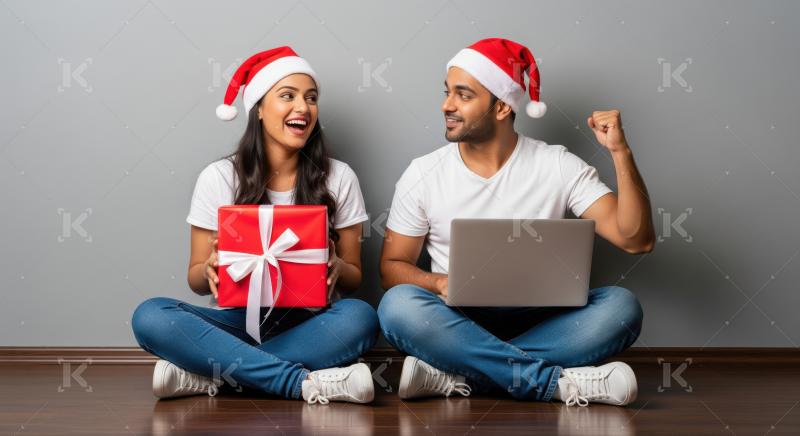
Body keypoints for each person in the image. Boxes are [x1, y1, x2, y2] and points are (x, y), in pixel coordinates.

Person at [377, 38, 655, 407]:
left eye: (463, 95)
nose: (447, 105)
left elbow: (636, 240)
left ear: (503, 106)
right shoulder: (423, 173)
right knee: (397, 306)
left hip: (546, 321)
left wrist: (620, 153)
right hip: (458, 321)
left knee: (622, 308)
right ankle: (553, 383)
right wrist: (438, 282)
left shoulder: (557, 164)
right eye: (447, 93)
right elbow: (391, 269)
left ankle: (463, 375)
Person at [132, 46, 379, 405]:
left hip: (310, 323)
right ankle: (298, 382)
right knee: (151, 316)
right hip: (232, 323)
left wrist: (338, 267)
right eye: (287, 96)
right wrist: (210, 267)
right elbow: (197, 282)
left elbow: (355, 278)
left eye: (311, 98)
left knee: (361, 317)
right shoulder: (218, 177)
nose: (303, 108)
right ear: (259, 109)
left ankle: (210, 376)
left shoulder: (340, 177)